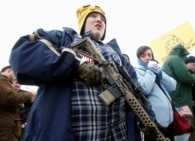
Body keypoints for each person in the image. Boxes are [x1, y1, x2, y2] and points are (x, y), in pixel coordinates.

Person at [9, 4, 144, 141]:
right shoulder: (64, 38)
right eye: (93, 16)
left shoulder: (116, 53)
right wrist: (75, 64)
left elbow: (136, 89)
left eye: (103, 19)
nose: (99, 20)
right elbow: (23, 54)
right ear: (83, 22)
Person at [134, 45, 177, 140]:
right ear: (138, 58)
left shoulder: (156, 70)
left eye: (149, 55)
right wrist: (151, 71)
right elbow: (144, 88)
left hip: (169, 121)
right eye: (143, 55)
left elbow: (173, 86)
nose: (147, 58)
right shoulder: (137, 71)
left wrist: (161, 74)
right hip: (153, 122)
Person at [161, 44, 195, 141]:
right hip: (181, 100)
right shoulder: (176, 59)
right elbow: (185, 77)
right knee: (184, 127)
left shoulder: (168, 60)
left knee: (179, 126)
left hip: (175, 98)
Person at [0, 65, 34, 141]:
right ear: (9, 70)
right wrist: (30, 94)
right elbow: (10, 98)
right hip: (4, 131)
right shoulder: (2, 80)